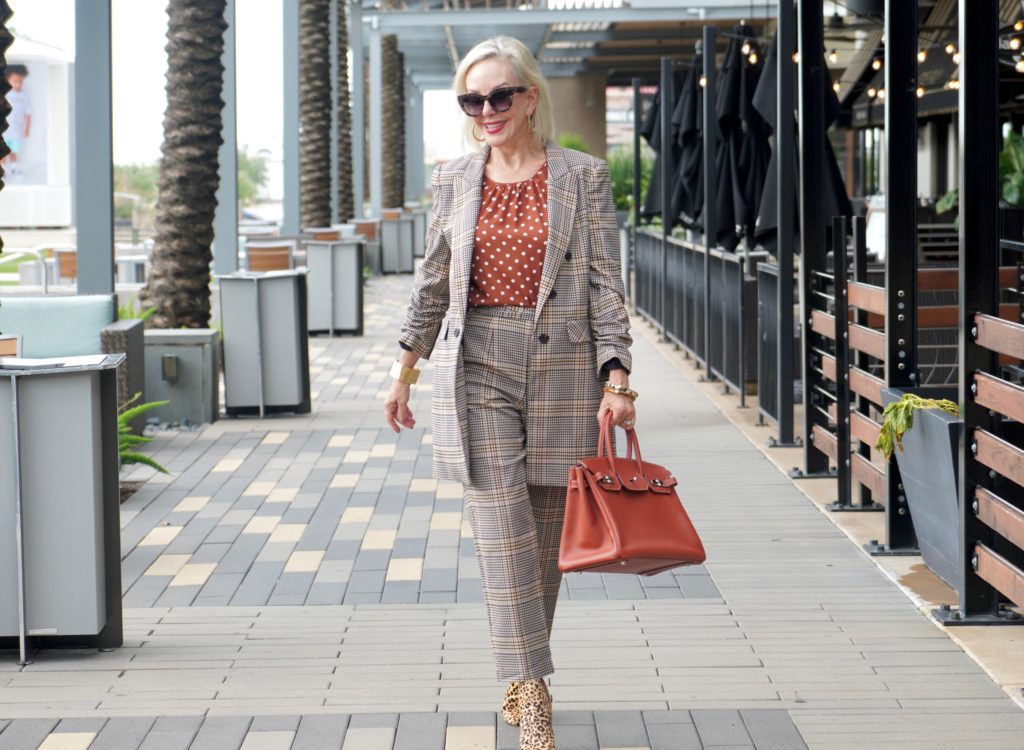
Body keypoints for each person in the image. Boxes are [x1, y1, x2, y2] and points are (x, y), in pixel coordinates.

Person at [384, 35, 635, 750]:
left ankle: (518, 677)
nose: (486, 110)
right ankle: (536, 692)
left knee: (545, 535)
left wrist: (619, 380)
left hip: (563, 364)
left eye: (499, 95)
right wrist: (403, 370)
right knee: (502, 531)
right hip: (478, 368)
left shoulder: (582, 177)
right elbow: (432, 281)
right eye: (472, 99)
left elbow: (604, 286)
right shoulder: (455, 178)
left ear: (528, 97)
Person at [3, 65, 31, 177]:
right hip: (5, 131)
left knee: (13, 151)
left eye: (20, 81)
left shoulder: (24, 96)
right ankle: (2, 171)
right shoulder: (5, 94)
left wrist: (27, 128)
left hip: (16, 131)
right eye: (15, 81)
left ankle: (14, 169)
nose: (18, 84)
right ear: (7, 80)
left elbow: (28, 113)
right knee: (2, 152)